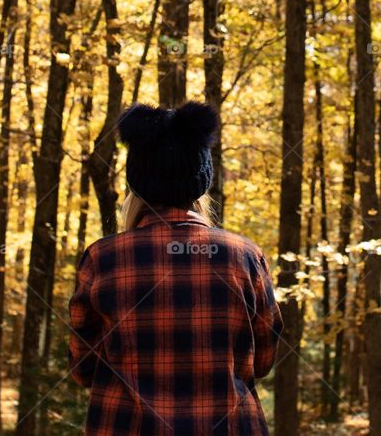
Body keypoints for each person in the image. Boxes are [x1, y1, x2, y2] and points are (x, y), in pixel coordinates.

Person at [68, 101, 284, 435]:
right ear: (201, 181)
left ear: (136, 185)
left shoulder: (103, 259)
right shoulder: (245, 256)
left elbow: (84, 368)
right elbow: (263, 361)